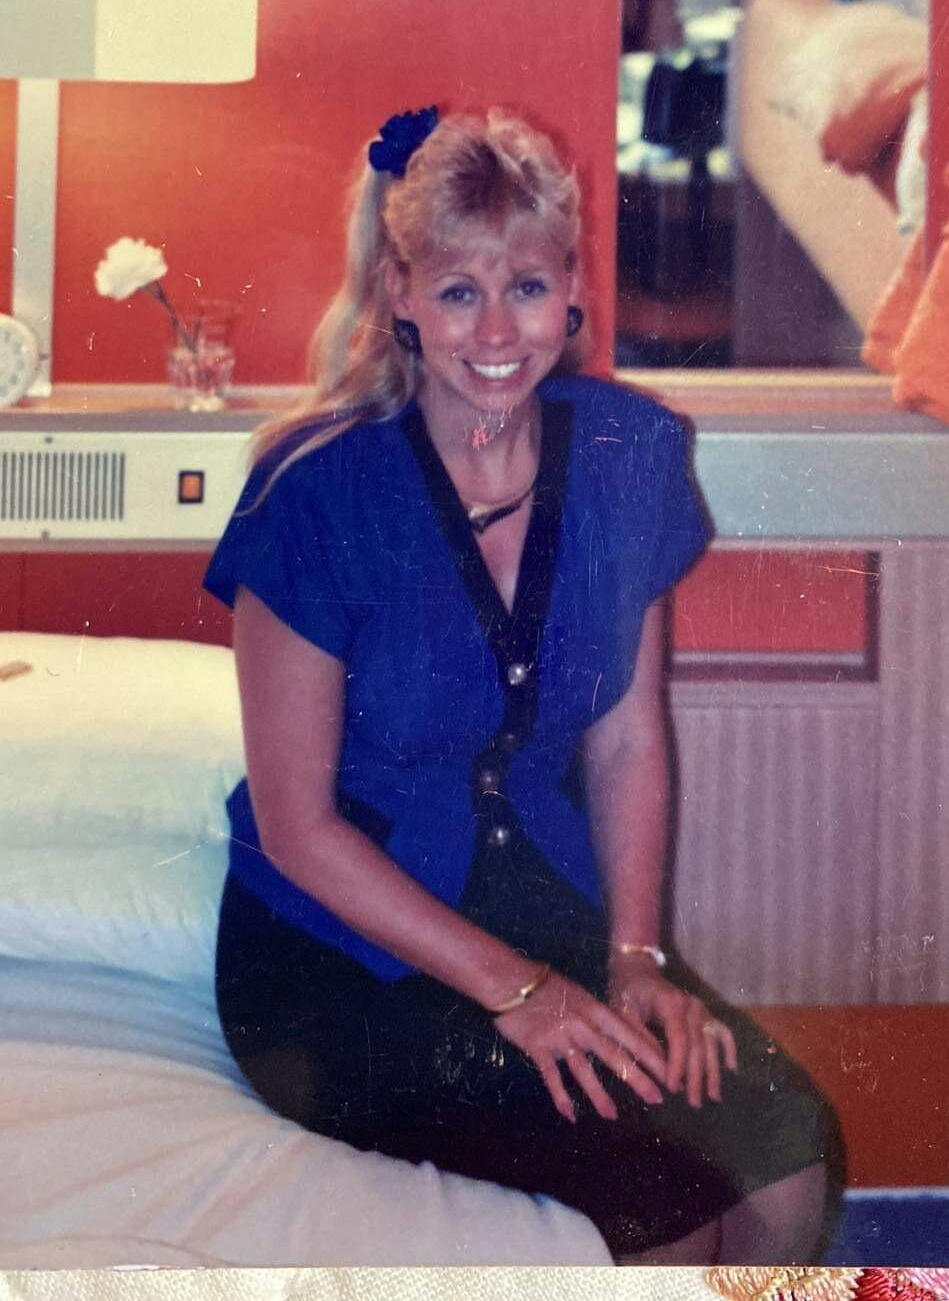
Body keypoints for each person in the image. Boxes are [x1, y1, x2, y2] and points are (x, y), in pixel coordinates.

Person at [205, 105, 842, 1264]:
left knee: (792, 1158)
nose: (498, 331)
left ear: (573, 288)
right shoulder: (313, 498)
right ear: (401, 292)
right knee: (665, 1202)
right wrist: (520, 993)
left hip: (544, 899)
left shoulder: (630, 453)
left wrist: (634, 959)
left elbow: (626, 739)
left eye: (529, 288)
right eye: (459, 292)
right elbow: (298, 831)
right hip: (339, 954)